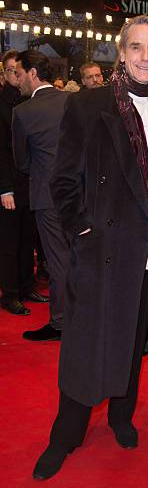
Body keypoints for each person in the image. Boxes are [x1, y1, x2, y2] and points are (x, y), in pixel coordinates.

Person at [32, 15, 148, 480]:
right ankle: (66, 432)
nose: (144, 57)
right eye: (135, 47)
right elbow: (63, 180)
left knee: (134, 337)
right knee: (86, 339)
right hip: (103, 249)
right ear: (121, 53)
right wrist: (82, 232)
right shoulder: (90, 104)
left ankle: (121, 416)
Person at [12, 51, 70, 339]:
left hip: (47, 197)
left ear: (33, 73)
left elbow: (21, 162)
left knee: (58, 261)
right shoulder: (72, 101)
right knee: (78, 259)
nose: (16, 81)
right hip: (80, 195)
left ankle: (61, 323)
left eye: (19, 74)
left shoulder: (22, 112)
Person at [0, 50, 44, 315]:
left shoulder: (28, 99)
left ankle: (27, 285)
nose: (15, 75)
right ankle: (10, 293)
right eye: (9, 71)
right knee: (9, 241)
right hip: (9, 186)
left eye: (18, 70)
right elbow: (1, 152)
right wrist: (4, 188)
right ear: (3, 74)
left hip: (30, 182)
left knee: (28, 237)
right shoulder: (2, 104)